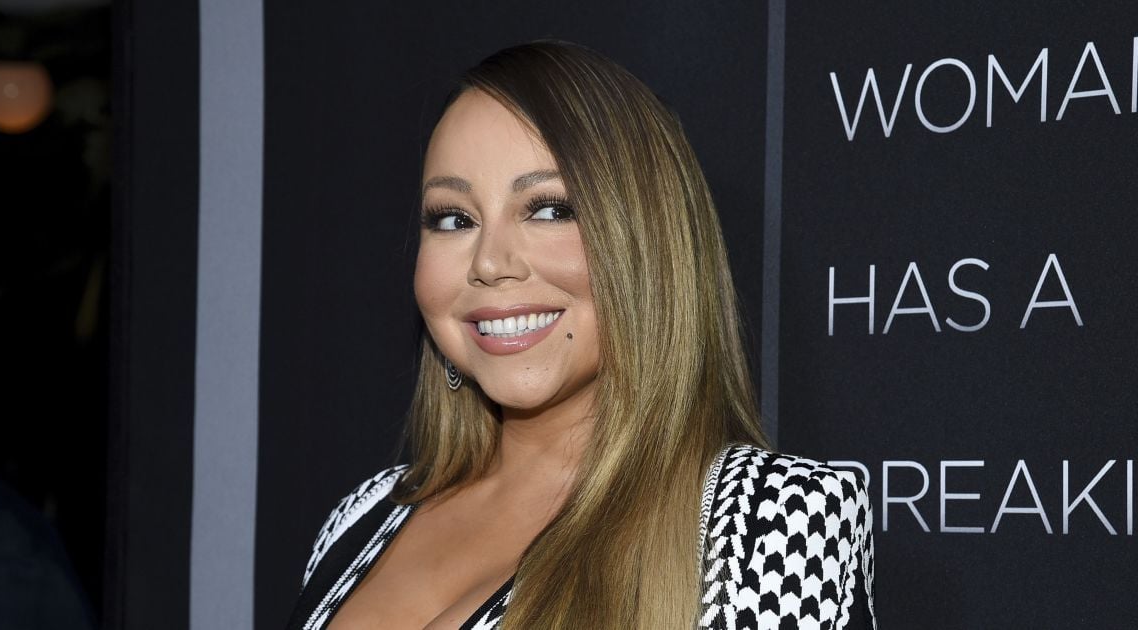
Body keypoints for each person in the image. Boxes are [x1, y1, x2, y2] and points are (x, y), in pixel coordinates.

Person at [285, 40, 876, 630]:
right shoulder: (363, 514)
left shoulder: (773, 520)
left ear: (648, 239)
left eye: (548, 209)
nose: (489, 262)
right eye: (454, 218)